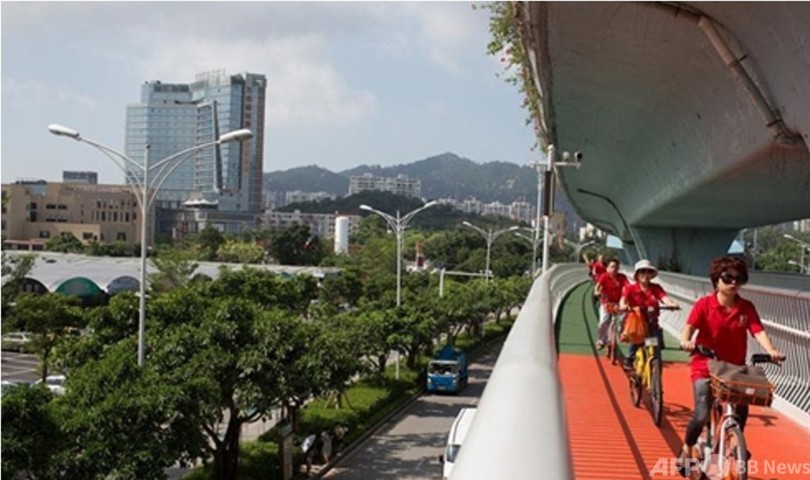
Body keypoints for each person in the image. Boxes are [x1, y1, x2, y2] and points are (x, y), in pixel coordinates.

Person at [676, 256, 784, 477]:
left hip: (733, 369)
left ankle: (736, 440)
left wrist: (771, 350)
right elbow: (689, 328)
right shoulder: (704, 304)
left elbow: (758, 331)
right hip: (705, 365)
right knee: (702, 414)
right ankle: (687, 448)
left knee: (743, 403)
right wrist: (686, 341)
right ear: (717, 279)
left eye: (739, 278)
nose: (734, 283)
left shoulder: (746, 307)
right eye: (728, 278)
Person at [619, 259, 679, 370]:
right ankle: (629, 358)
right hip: (637, 323)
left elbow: (664, 298)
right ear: (637, 274)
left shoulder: (656, 288)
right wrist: (623, 305)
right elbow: (623, 300)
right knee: (638, 340)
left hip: (652, 322)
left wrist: (671, 304)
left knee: (655, 345)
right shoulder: (630, 288)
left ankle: (655, 373)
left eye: (648, 272)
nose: (645, 275)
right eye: (642, 272)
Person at [593, 257, 630, 350]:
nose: (614, 269)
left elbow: (628, 287)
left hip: (619, 303)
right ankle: (601, 340)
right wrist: (597, 292)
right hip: (606, 302)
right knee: (603, 321)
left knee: (623, 318)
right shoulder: (604, 276)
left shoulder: (622, 277)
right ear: (607, 268)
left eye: (616, 267)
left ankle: (621, 334)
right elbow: (598, 286)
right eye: (612, 267)